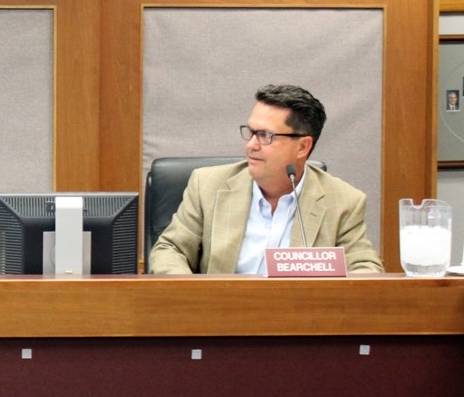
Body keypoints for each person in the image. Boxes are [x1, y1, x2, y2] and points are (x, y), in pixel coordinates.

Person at [149, 84, 384, 275]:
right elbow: (170, 249)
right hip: (220, 320)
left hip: (298, 324)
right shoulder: (208, 185)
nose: (251, 145)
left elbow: (365, 269)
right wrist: (193, 297)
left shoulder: (343, 201)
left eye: (265, 136)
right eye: (251, 132)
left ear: (303, 146)